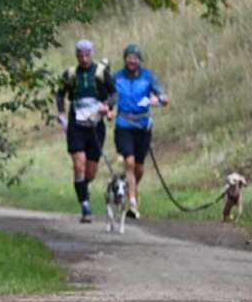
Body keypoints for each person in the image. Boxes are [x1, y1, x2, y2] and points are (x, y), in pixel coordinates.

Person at [56, 39, 115, 223]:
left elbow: (114, 93)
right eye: (80, 54)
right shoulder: (70, 74)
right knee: (78, 164)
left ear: (92, 54)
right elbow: (59, 93)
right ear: (76, 55)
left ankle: (84, 186)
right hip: (76, 125)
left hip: (96, 126)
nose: (84, 58)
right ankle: (85, 206)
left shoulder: (100, 72)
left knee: (90, 171)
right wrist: (61, 114)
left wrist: (107, 106)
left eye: (87, 54)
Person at [113, 43, 169, 219]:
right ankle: (132, 202)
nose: (132, 61)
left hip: (142, 127)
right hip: (123, 125)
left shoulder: (147, 77)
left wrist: (158, 99)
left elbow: (164, 98)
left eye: (135, 58)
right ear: (124, 59)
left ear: (139, 60)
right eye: (129, 57)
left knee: (139, 168)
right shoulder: (116, 77)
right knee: (128, 162)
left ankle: (126, 187)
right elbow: (108, 96)